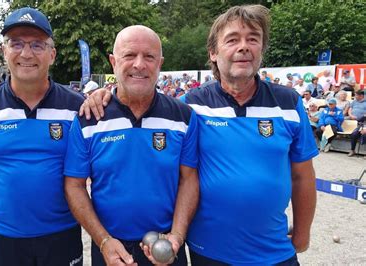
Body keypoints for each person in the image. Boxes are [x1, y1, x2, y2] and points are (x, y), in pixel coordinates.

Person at [81, 5, 318, 265]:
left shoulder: (288, 103)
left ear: (262, 49)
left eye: (253, 38)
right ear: (214, 53)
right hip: (208, 252)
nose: (244, 46)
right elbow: (144, 98)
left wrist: (303, 235)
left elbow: (302, 175)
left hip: (274, 251)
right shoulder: (190, 107)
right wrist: (106, 93)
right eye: (232, 40)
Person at [0, 7, 84, 265]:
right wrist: (3, 191)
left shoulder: (77, 107)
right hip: (4, 237)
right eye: (16, 44)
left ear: (52, 54)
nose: (26, 54)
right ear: (4, 51)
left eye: (37, 44)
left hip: (61, 235)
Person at [65, 25, 199, 266]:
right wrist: (103, 240)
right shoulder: (89, 117)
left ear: (160, 63)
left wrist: (177, 236)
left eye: (149, 56)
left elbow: (189, 179)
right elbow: (74, 185)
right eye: (129, 55)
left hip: (167, 246)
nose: (139, 64)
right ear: (113, 62)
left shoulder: (183, 116)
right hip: (111, 248)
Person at [347, 90, 366, 156]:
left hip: (363, 121)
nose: (355, 96)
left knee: (365, 134)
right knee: (354, 134)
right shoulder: (354, 101)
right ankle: (352, 150)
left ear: (361, 96)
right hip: (356, 121)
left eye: (356, 95)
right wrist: (351, 115)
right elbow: (350, 109)